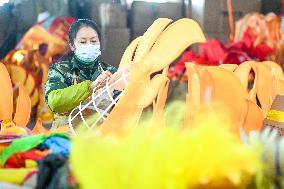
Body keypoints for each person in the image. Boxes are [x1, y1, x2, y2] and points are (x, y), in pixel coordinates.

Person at [45, 19, 118, 130]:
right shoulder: (60, 70)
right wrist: (91, 86)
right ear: (72, 45)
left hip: (100, 139)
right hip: (66, 138)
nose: (89, 45)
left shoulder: (110, 71)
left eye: (93, 41)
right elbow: (54, 102)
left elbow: (124, 102)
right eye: (83, 42)